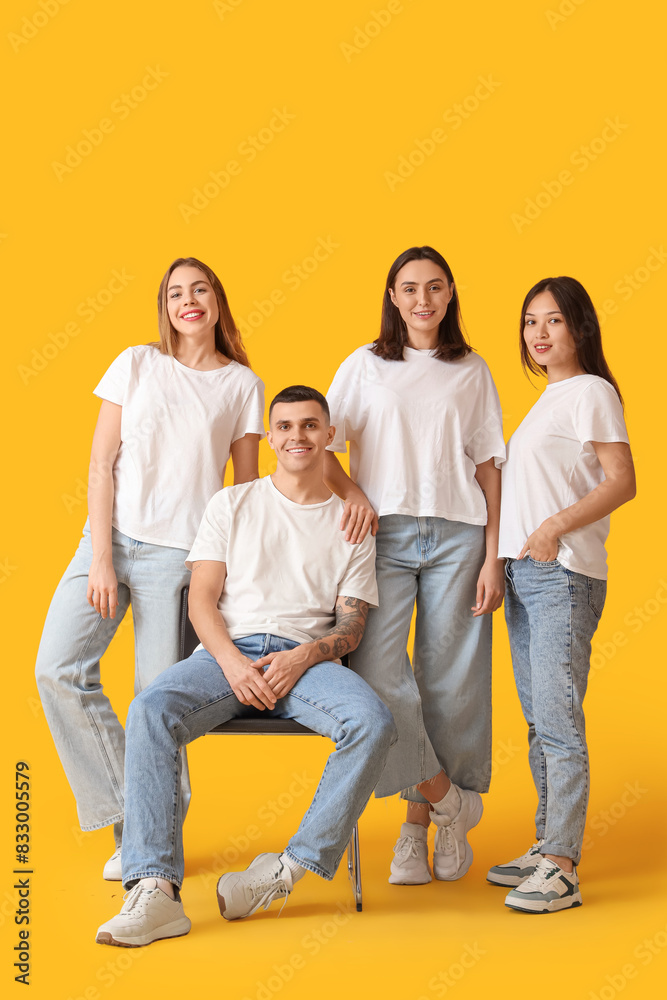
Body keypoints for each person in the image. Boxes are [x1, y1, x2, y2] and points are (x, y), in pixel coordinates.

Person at [95, 386, 396, 948]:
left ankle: (287, 870)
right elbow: (201, 601)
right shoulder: (232, 503)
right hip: (225, 654)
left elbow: (351, 628)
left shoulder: (351, 523)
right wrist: (234, 666)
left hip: (305, 660)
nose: (296, 437)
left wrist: (303, 655)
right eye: (284, 427)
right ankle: (156, 892)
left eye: (310, 426)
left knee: (374, 722)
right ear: (271, 437)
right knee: (151, 709)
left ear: (330, 438)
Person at [35, 257, 265, 880]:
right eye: (175, 293)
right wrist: (103, 556)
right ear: (164, 307)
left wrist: (228, 579)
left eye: (200, 289)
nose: (188, 301)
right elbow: (100, 463)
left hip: (180, 558)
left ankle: (151, 842)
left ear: (218, 299)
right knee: (56, 669)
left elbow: (243, 491)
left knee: (156, 701)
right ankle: (133, 819)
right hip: (106, 542)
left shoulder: (242, 385)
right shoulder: (135, 363)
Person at [324, 246, 506, 886]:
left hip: (460, 531)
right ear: (392, 297)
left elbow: (488, 466)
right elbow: (320, 444)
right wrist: (354, 495)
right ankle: (447, 802)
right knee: (377, 671)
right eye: (409, 289)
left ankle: (416, 829)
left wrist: (493, 555)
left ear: (451, 294)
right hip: (385, 532)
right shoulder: (365, 365)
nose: (422, 300)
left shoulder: (472, 370)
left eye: (434, 287)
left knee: (452, 681)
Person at [488, 276, 636, 913]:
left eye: (552, 321)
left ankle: (561, 865)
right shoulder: (547, 400)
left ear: (580, 326)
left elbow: (622, 481)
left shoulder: (590, 393)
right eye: (529, 323)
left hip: (563, 572)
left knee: (558, 720)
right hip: (527, 574)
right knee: (537, 718)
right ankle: (547, 840)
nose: (539, 334)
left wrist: (552, 528)